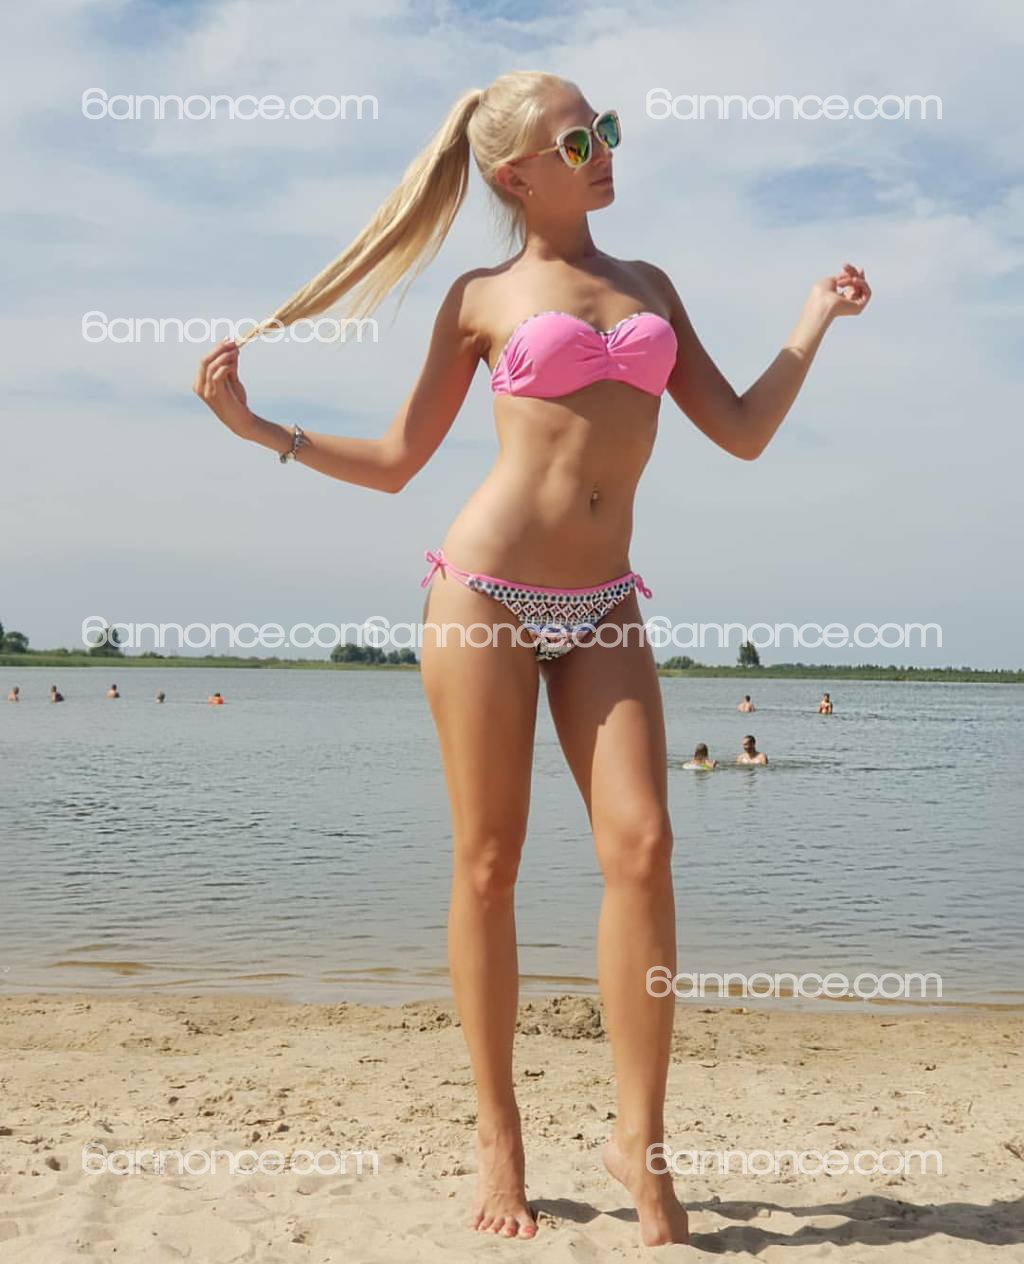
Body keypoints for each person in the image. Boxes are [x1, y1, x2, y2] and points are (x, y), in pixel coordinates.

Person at [193, 72, 869, 1247]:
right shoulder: (480, 296)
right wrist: (261, 431)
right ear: (514, 174)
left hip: (604, 601)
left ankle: (638, 1141)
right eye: (579, 139)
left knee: (644, 847)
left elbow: (742, 431)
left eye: (606, 129)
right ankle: (498, 1134)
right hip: (484, 594)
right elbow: (400, 461)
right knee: (488, 862)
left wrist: (811, 320)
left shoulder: (650, 286)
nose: (605, 148)